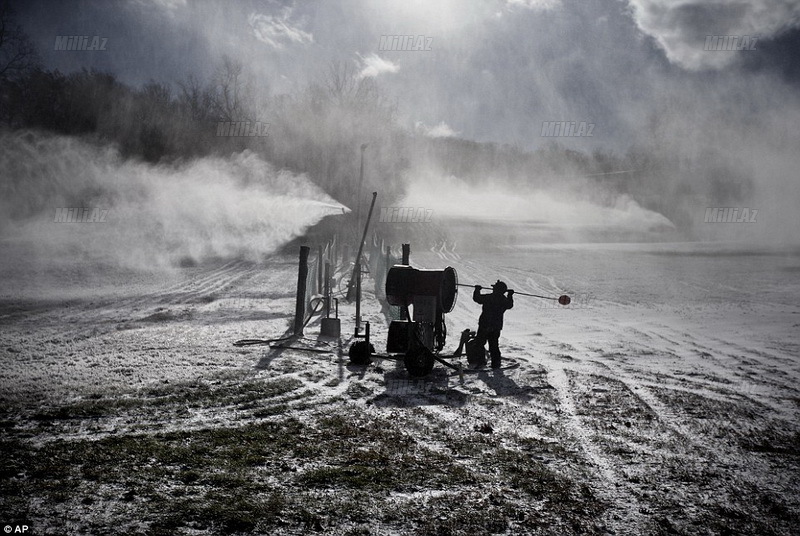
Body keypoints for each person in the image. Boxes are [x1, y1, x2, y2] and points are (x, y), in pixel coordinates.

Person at [472, 280, 514, 368]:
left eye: (494, 288)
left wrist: (477, 290)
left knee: (479, 344)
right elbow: (510, 305)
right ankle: (496, 363)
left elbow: (477, 298)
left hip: (484, 324)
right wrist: (510, 295)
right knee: (494, 345)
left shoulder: (489, 297)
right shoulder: (504, 300)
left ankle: (481, 362)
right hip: (496, 326)